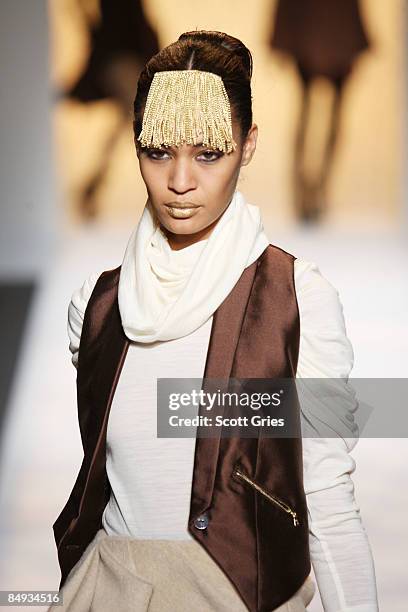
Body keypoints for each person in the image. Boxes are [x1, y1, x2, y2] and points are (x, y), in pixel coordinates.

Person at [50, 31, 379, 611]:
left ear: (248, 145)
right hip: (105, 590)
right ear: (135, 144)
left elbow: (325, 495)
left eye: (209, 153)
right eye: (158, 152)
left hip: (234, 596)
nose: (180, 182)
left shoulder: (298, 300)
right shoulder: (98, 306)